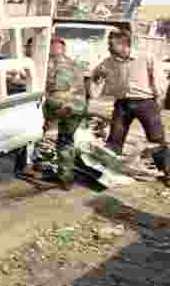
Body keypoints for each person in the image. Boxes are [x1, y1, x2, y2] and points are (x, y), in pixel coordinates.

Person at [86, 29, 169, 184]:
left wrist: (159, 99)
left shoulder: (145, 57)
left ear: (123, 44)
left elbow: (159, 80)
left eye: (111, 44)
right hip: (122, 104)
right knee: (114, 140)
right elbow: (95, 78)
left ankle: (167, 172)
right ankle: (107, 173)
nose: (108, 48)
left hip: (145, 102)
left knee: (156, 139)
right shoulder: (108, 62)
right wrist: (97, 77)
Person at [42, 38, 86, 190]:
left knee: (56, 139)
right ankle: (65, 176)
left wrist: (50, 118)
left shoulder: (57, 66)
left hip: (64, 108)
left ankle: (64, 176)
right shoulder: (74, 64)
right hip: (77, 108)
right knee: (66, 141)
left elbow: (59, 90)